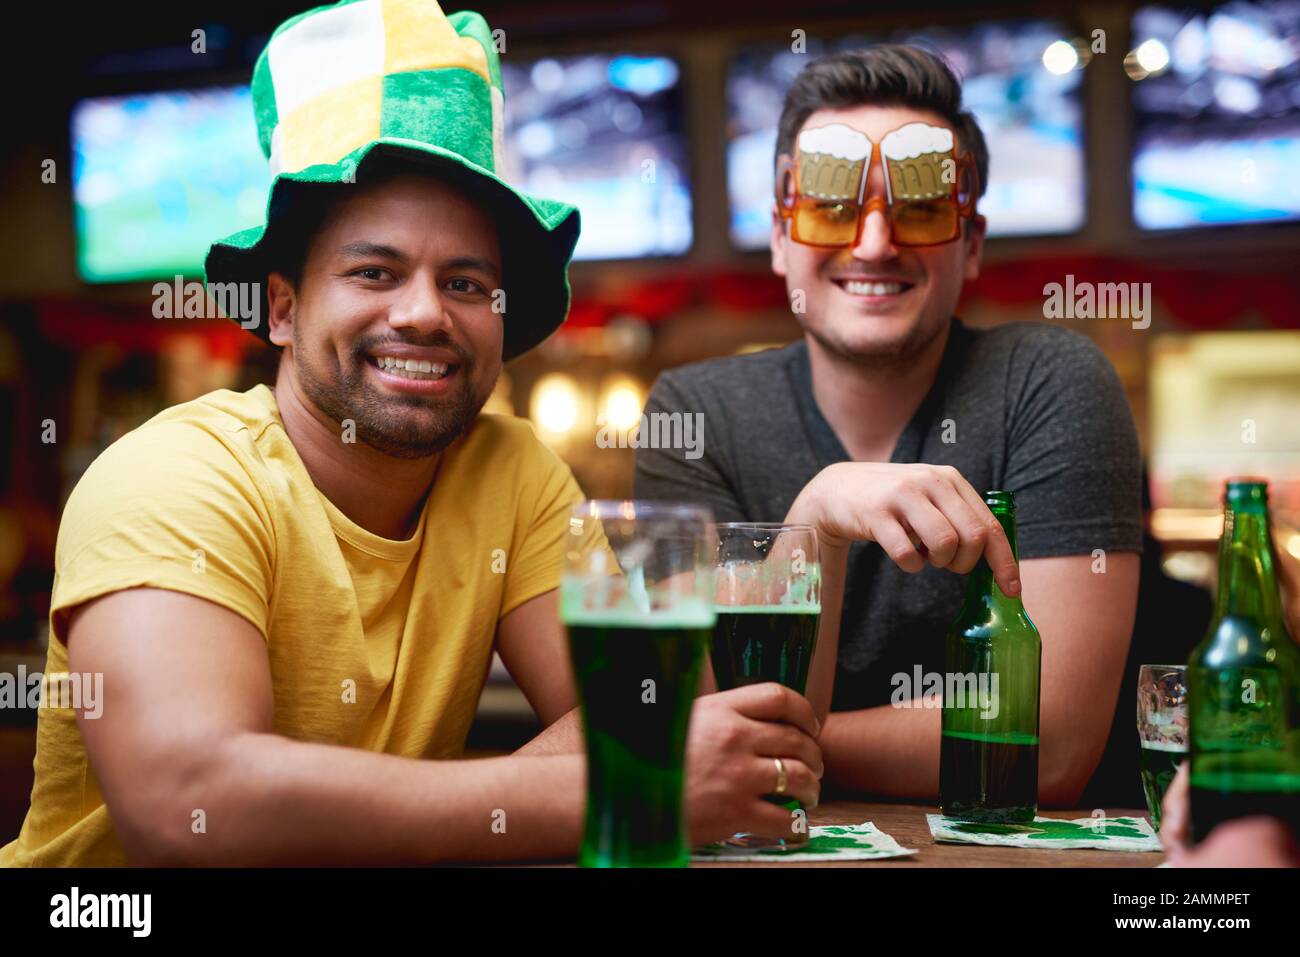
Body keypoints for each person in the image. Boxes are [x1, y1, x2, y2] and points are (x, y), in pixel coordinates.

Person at [1, 0, 821, 866]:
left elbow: (662, 713)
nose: (426, 313)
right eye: (374, 271)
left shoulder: (512, 470)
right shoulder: (173, 476)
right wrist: (616, 786)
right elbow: (191, 805)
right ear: (281, 307)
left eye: (466, 283)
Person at [635, 45, 1142, 806]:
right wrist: (816, 523)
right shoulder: (692, 415)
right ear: (780, 237)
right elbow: (695, 731)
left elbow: (1051, 744)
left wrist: (788, 740)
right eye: (831, 206)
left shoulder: (1049, 381)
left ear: (971, 244)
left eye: (922, 207)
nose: (874, 243)